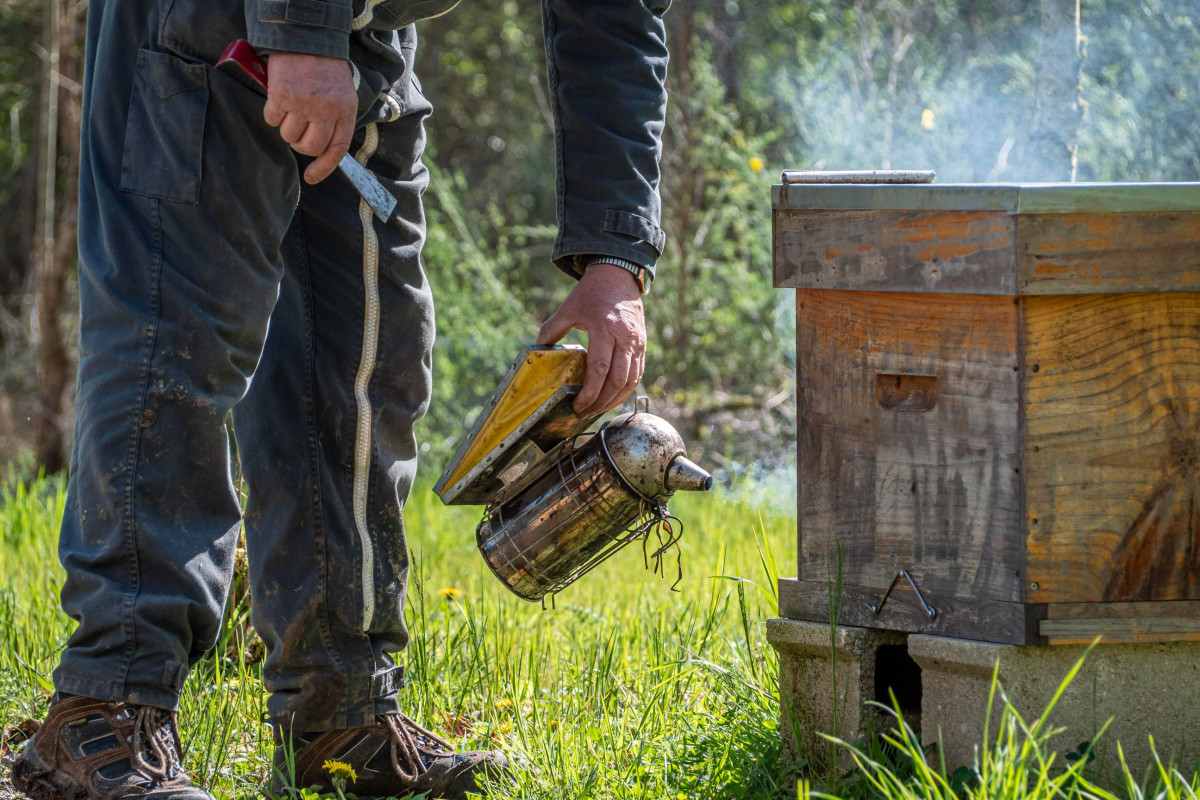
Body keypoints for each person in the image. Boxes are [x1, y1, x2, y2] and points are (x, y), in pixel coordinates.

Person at [11, 0, 670, 797]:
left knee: (367, 350)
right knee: (175, 335)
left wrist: (614, 256)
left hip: (360, 38)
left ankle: (340, 713)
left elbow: (613, 19)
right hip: (214, 22)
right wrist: (298, 32)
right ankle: (103, 711)